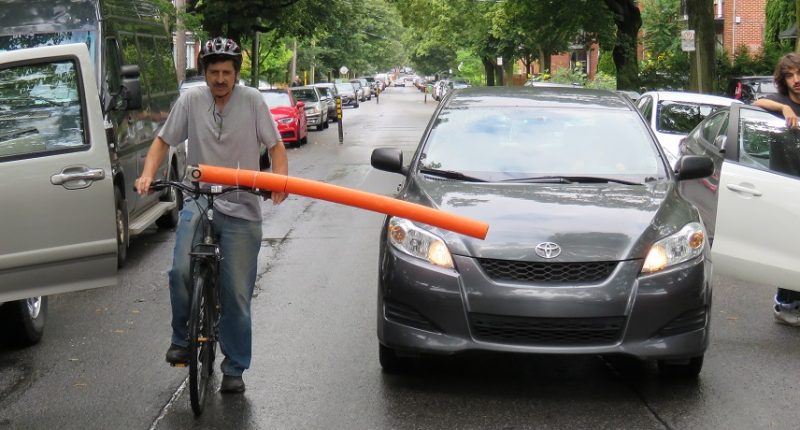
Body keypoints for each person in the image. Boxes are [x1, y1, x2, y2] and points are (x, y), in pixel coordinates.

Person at [135, 36, 288, 393]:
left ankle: (234, 367)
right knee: (179, 270)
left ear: (236, 74)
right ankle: (182, 339)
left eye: (226, 72)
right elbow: (163, 141)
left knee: (236, 294)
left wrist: (280, 179)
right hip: (199, 200)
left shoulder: (252, 101)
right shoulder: (190, 100)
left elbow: (276, 146)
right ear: (204, 72)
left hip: (242, 204)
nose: (220, 79)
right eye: (214, 72)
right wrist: (147, 173)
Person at [753, 52, 800, 326]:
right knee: (790, 246)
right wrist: (783, 109)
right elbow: (754, 102)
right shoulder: (779, 103)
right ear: (783, 80)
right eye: (789, 75)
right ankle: (786, 303)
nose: (796, 80)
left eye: (798, 74)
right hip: (785, 187)